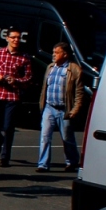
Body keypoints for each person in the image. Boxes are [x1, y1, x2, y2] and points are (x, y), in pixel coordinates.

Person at [0, 27, 32, 168]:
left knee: (9, 127)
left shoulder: (24, 57)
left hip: (13, 95)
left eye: (18, 37)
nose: (16, 40)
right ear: (7, 38)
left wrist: (16, 80)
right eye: (13, 37)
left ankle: (5, 157)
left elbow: (28, 77)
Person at [37, 41, 85, 173]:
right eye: (53, 52)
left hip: (64, 109)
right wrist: (42, 104)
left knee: (67, 138)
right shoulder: (50, 67)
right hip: (49, 107)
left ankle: (71, 162)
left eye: (56, 52)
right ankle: (43, 164)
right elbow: (44, 88)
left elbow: (79, 93)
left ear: (65, 54)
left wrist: (75, 110)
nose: (53, 55)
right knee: (45, 136)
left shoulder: (74, 69)